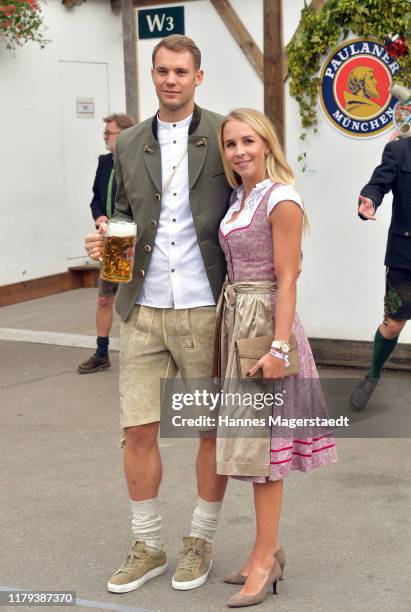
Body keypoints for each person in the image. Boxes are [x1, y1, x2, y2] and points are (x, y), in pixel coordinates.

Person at [85, 35, 231, 593]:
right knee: (138, 430)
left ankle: (200, 540)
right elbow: (122, 212)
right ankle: (148, 544)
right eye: (163, 71)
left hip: (204, 307)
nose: (171, 80)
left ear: (198, 77)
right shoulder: (127, 142)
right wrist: (108, 246)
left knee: (209, 430)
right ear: (152, 74)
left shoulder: (222, 134)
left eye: (181, 72)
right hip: (142, 309)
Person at [214, 108, 337, 607]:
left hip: (267, 325)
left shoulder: (281, 198)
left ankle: (266, 558)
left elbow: (289, 277)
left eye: (249, 141)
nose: (240, 151)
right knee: (251, 447)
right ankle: (262, 549)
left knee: (264, 451)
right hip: (237, 318)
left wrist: (278, 348)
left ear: (267, 143)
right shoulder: (238, 196)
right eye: (231, 144)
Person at [350, 136, 411, 411]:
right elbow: (378, 184)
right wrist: (369, 201)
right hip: (405, 256)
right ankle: (373, 373)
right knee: (393, 323)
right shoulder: (399, 149)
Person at [78, 113, 134, 374]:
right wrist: (99, 215)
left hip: (130, 239)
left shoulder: (138, 160)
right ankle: (102, 353)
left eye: (108, 133)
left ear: (123, 135)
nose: (105, 137)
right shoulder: (104, 162)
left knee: (135, 302)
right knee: (104, 299)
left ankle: (139, 355)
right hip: (109, 240)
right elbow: (95, 199)